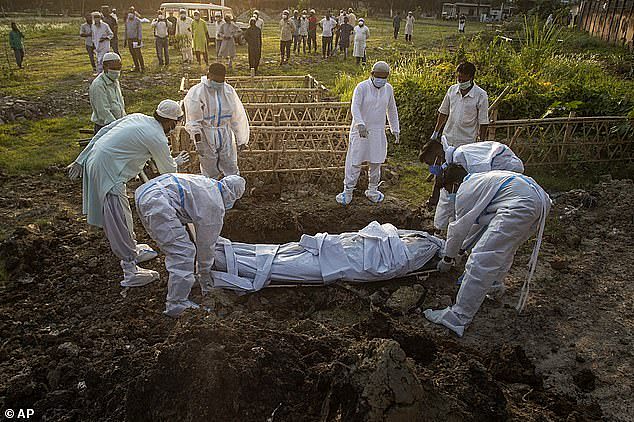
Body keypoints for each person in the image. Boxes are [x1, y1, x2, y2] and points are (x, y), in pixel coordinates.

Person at [66, 100, 190, 288]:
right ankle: (130, 270)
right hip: (109, 172)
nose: (175, 128)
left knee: (124, 214)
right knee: (119, 219)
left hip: (100, 161)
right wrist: (176, 162)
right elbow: (167, 170)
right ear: (171, 122)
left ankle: (132, 249)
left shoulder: (138, 117)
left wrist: (81, 159)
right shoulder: (157, 136)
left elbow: (102, 132)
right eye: (177, 123)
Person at [424, 167, 551, 337]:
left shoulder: (464, 191)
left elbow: (458, 230)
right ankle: (493, 285)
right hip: (539, 201)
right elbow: (478, 225)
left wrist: (447, 259)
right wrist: (461, 250)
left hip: (521, 204)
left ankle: (458, 317)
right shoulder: (478, 181)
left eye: (447, 189)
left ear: (454, 184)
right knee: (505, 249)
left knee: (481, 259)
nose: (449, 194)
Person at [135, 174, 245, 316]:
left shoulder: (207, 183)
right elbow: (206, 245)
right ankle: (176, 303)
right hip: (158, 203)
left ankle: (183, 280)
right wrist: (205, 273)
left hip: (146, 192)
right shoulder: (214, 204)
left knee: (176, 247)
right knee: (183, 253)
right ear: (233, 196)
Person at [429, 61, 489, 231]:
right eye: (458, 77)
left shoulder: (480, 95)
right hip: (448, 138)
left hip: (466, 143)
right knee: (439, 170)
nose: (459, 80)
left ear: (471, 78)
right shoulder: (452, 91)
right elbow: (443, 112)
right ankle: (435, 198)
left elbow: (483, 121)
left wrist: (481, 143)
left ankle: (460, 204)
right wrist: (436, 132)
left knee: (460, 175)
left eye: (463, 78)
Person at [336, 61, 399, 205]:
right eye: (379, 76)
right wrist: (360, 124)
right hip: (361, 131)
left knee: (376, 161)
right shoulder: (362, 87)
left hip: (377, 131)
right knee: (355, 161)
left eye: (384, 77)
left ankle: (372, 190)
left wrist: (395, 128)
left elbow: (392, 109)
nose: (381, 80)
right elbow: (355, 107)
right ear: (372, 74)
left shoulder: (388, 89)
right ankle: (348, 191)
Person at [419, 139, 524, 219]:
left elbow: (482, 184)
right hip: (499, 167)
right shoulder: (454, 160)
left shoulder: (461, 158)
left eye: (430, 163)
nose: (431, 168)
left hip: (505, 167)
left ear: (438, 155)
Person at [184, 63, 250, 179]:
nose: (219, 84)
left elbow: (237, 116)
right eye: (216, 81)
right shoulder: (197, 92)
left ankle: (231, 192)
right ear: (209, 75)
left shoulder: (228, 91)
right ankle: (212, 192)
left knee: (230, 165)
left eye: (221, 81)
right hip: (206, 134)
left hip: (225, 133)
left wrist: (241, 139)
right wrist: (198, 141)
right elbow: (193, 120)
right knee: (209, 169)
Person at [89, 52, 125, 135]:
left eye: (118, 68)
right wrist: (116, 127)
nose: (116, 71)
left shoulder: (115, 81)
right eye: (113, 68)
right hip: (106, 127)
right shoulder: (98, 85)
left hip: (118, 124)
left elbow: (119, 103)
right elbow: (103, 111)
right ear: (105, 67)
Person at [124, 7, 145, 72]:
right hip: (129, 39)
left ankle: (142, 67)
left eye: (132, 13)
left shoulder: (137, 20)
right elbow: (126, 30)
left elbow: (140, 31)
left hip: (135, 39)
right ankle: (137, 67)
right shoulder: (127, 20)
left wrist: (139, 39)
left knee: (138, 53)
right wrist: (125, 40)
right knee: (133, 54)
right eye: (129, 13)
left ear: (134, 13)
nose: (130, 14)